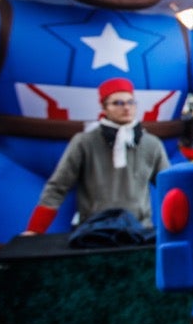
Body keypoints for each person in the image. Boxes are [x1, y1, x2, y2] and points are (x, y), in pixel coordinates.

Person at [23, 78, 170, 233]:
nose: (126, 108)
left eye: (131, 102)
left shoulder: (151, 144)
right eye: (118, 103)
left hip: (139, 231)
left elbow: (168, 187)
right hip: (93, 232)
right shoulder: (84, 142)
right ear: (104, 107)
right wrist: (35, 230)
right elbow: (57, 187)